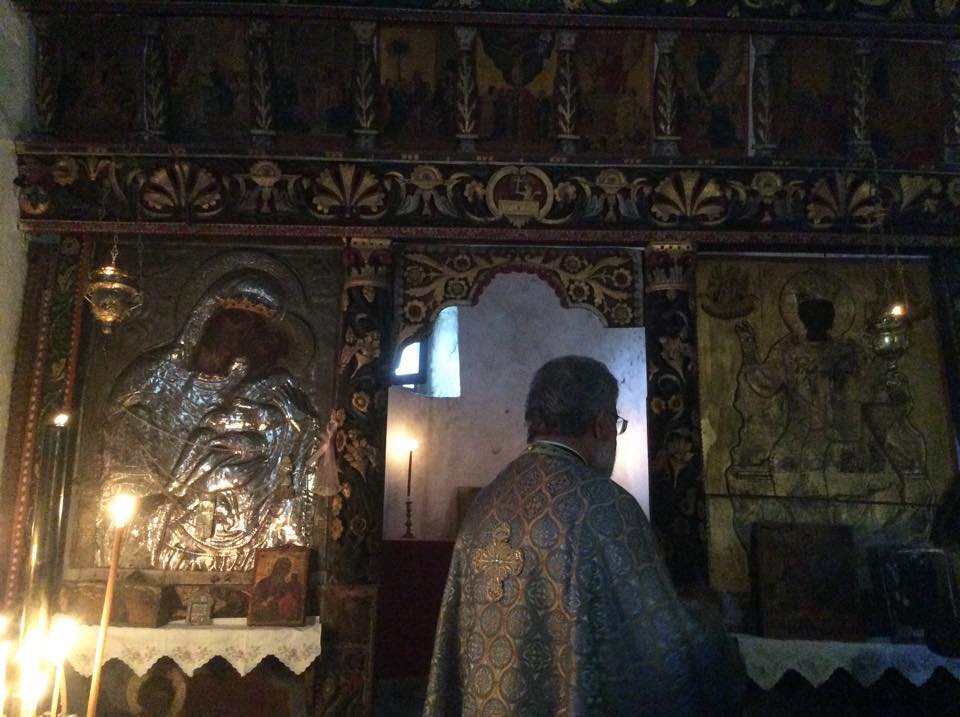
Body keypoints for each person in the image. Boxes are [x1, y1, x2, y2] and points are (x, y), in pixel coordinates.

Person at [424, 356, 744, 716]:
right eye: (617, 424)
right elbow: (661, 645)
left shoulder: (486, 505)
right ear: (601, 424)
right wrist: (712, 622)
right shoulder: (605, 507)